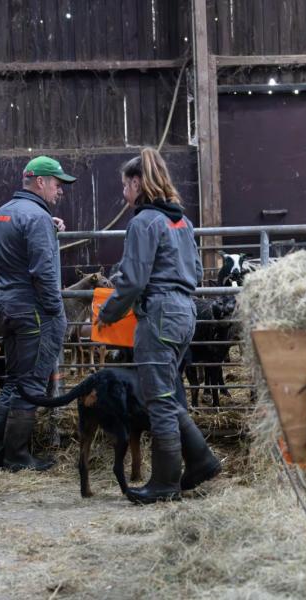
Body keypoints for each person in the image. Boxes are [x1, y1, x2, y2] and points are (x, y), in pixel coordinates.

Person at [97, 147, 221, 504]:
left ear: (137, 183)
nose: (124, 194)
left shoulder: (143, 221)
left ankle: (165, 482)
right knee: (167, 392)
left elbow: (134, 280)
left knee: (158, 400)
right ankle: (201, 460)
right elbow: (196, 273)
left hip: (160, 315)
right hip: (185, 313)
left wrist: (108, 312)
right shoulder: (181, 221)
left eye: (125, 186)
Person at [0, 156, 76, 472]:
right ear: (40, 182)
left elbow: (18, 250)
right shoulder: (35, 218)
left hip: (7, 306)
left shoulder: (4, 214)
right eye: (57, 183)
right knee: (32, 384)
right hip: (34, 312)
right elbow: (43, 272)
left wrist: (45, 226)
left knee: (13, 382)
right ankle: (17, 458)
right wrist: (56, 312)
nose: (60, 190)